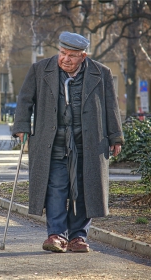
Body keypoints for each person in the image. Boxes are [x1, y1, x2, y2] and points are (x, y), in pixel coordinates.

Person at [12, 31, 124, 253]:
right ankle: (56, 235)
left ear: (83, 55)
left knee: (85, 189)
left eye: (72, 55)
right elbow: (25, 100)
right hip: (52, 144)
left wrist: (115, 136)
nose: (65, 59)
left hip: (89, 143)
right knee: (57, 188)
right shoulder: (40, 70)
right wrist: (21, 127)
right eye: (62, 53)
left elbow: (111, 106)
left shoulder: (101, 73)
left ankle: (77, 237)